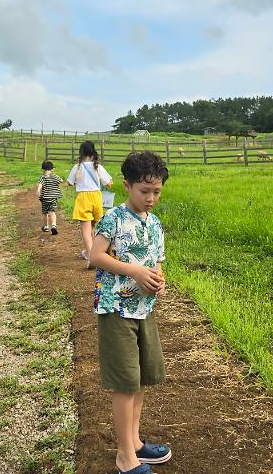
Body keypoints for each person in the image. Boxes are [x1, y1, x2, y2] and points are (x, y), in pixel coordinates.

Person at [89, 151, 171, 474]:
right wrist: (134, 273)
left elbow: (157, 262)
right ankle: (125, 456)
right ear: (127, 186)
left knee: (140, 379)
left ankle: (135, 443)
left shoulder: (155, 224)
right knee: (125, 383)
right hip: (116, 308)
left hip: (143, 309)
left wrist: (158, 282)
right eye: (145, 191)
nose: (151, 198)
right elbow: (96, 255)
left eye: (157, 192)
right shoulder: (114, 218)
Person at [67, 140, 113, 267]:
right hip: (97, 197)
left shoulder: (77, 167)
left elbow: (70, 182)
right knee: (94, 227)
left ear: (81, 153)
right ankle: (90, 253)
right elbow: (108, 183)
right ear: (93, 153)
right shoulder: (97, 166)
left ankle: (92, 257)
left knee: (86, 231)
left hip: (83, 198)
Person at [37, 159, 63, 235]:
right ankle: (54, 225)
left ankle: (46, 227)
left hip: (44, 199)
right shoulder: (54, 176)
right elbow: (61, 181)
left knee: (45, 213)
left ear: (42, 169)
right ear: (52, 169)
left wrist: (38, 190)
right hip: (53, 198)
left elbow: (40, 185)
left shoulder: (42, 177)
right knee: (53, 212)